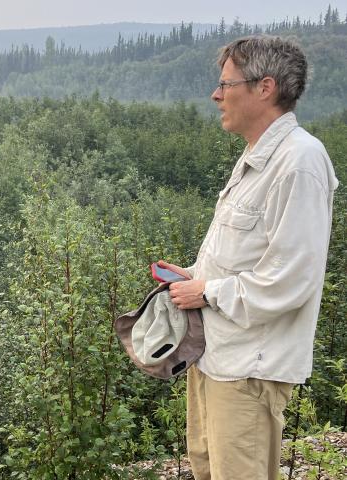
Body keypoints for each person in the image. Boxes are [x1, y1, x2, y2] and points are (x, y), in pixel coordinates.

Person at [158, 36, 339, 480]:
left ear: (265, 87)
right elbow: (248, 256)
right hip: (217, 359)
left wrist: (208, 291)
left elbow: (292, 280)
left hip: (249, 370)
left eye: (226, 84)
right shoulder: (259, 157)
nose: (216, 95)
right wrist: (196, 276)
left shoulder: (300, 162)